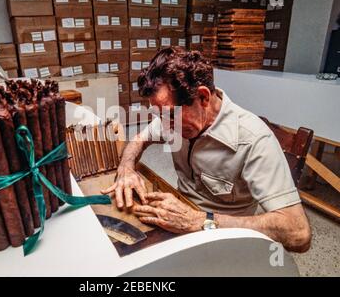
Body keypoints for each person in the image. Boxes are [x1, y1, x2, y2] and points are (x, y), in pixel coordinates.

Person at [102, 47, 311, 253]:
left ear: (203, 98)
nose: (165, 126)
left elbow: (298, 232)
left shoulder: (253, 139)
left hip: (224, 238)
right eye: (160, 117)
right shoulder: (172, 118)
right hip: (179, 219)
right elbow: (139, 139)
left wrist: (202, 221)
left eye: (171, 116)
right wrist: (127, 167)